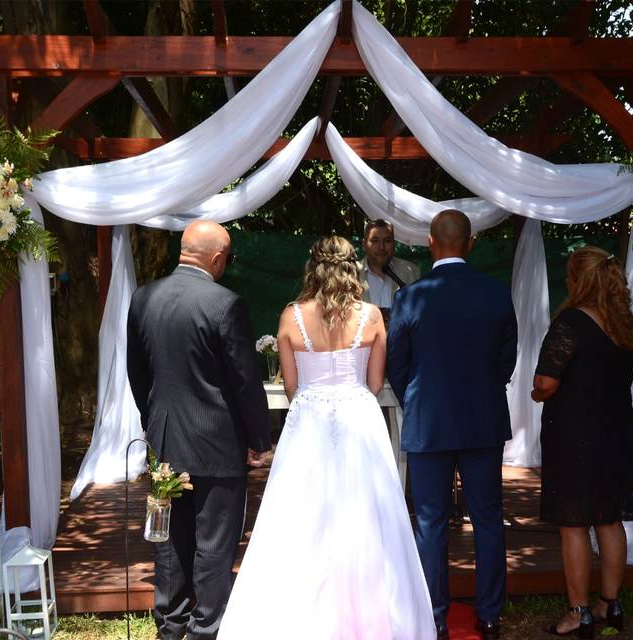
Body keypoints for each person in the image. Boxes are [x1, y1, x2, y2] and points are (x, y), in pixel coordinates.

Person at [217, 236, 435, 640]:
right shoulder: (371, 316)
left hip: (309, 421)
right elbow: (373, 383)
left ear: (311, 266)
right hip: (359, 418)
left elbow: (293, 386)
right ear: (353, 266)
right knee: (369, 514)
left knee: (300, 514)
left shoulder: (290, 317)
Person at [126, 221, 271, 640]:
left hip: (166, 438)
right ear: (217, 258)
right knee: (214, 540)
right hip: (218, 443)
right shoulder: (225, 304)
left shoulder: (143, 298)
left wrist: (155, 420)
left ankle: (170, 626)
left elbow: (138, 373)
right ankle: (206, 627)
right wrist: (258, 440)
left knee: (169, 539)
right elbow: (245, 381)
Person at [387, 210, 518, 640]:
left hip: (429, 421)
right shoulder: (496, 294)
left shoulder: (411, 297)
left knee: (430, 521)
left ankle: (434, 616)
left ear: (430, 243)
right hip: (482, 420)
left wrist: (418, 398)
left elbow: (397, 365)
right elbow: (505, 362)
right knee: (488, 518)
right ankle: (491, 616)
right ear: (471, 244)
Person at [531, 245, 633, 638]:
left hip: (577, 434)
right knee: (609, 519)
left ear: (577, 279)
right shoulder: (626, 324)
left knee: (574, 524)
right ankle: (610, 604)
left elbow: (546, 381)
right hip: (618, 431)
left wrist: (537, 394)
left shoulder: (570, 324)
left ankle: (579, 613)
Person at [358, 218, 420, 316]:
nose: (381, 247)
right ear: (364, 244)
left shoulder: (411, 271)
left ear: (394, 244)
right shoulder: (352, 273)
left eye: (387, 241)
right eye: (375, 241)